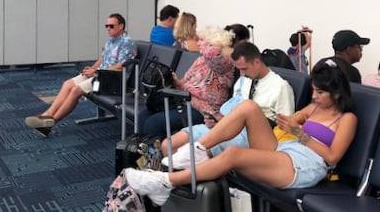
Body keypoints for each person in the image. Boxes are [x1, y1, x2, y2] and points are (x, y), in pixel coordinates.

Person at [125, 59, 357, 206]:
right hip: (285, 149)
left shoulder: (346, 119)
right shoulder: (314, 107)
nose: (314, 96)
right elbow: (289, 122)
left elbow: (333, 157)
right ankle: (199, 150)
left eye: (320, 93)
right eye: (314, 91)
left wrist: (300, 133)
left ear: (337, 94)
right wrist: (287, 123)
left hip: (307, 164)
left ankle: (165, 182)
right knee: (247, 107)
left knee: (234, 154)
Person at [161, 41, 295, 169]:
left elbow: (285, 127)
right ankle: (179, 187)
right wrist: (214, 119)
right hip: (220, 126)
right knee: (168, 145)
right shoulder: (244, 80)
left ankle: (192, 183)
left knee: (195, 157)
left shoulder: (281, 87)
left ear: (257, 62)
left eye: (244, 69)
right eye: (239, 70)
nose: (242, 74)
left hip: (246, 136)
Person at [25, 13, 136, 137]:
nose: (108, 29)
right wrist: (93, 68)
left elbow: (120, 66)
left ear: (121, 26)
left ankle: (50, 123)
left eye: (111, 26)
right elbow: (103, 58)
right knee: (67, 84)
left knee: (76, 90)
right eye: (106, 26)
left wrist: (97, 72)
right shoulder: (111, 40)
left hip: (111, 79)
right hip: (99, 74)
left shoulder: (127, 43)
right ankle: (47, 115)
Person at [138, 26, 235, 137]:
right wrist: (175, 81)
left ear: (212, 43)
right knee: (144, 115)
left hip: (204, 110)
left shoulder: (223, 63)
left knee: (154, 123)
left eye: (202, 40)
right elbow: (184, 83)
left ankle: (158, 153)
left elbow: (214, 53)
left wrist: (217, 43)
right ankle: (143, 150)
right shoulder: (199, 60)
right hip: (184, 101)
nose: (198, 43)